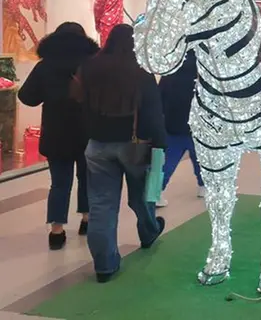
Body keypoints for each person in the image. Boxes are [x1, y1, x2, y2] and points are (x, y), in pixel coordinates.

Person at [75, 24, 166, 282]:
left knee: (102, 205)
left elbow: (79, 106)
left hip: (97, 145)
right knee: (141, 197)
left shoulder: (89, 68)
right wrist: (159, 144)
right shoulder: (141, 72)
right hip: (134, 145)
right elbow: (153, 112)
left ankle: (104, 265)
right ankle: (148, 232)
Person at [18, 22, 99, 250]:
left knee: (60, 184)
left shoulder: (45, 66)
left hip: (56, 134)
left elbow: (27, 97)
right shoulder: (92, 64)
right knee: (87, 179)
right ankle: (86, 220)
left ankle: (56, 231)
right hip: (87, 133)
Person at [157, 50, 204, 207]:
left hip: (173, 125)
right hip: (198, 126)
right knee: (201, 159)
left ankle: (156, 192)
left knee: (167, 162)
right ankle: (203, 186)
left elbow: (159, 98)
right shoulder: (201, 77)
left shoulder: (169, 75)